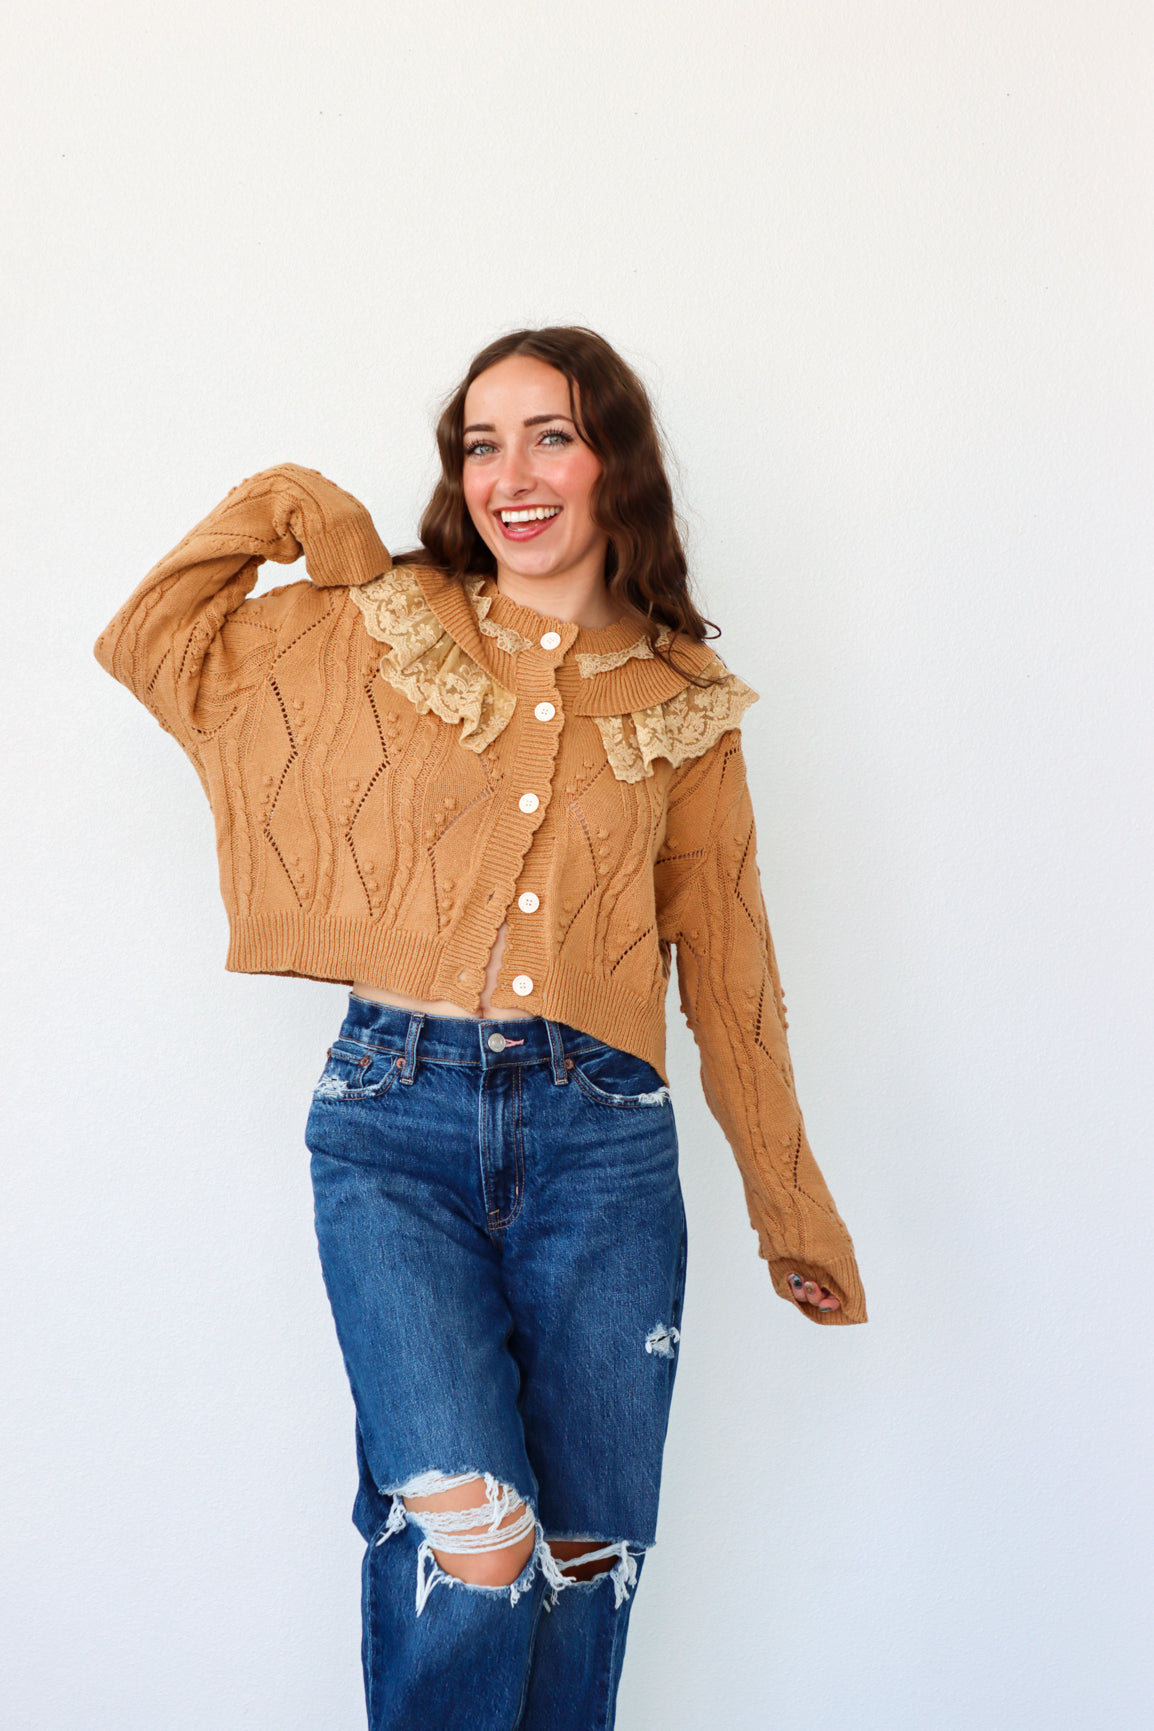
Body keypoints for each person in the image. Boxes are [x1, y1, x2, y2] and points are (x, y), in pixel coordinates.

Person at [94, 326, 867, 1730]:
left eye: (551, 435)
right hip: (394, 1123)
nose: (511, 473)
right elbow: (151, 648)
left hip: (605, 1151)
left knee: (583, 1564)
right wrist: (282, 501)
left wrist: (789, 1207)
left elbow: (733, 973)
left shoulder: (686, 702)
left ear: (611, 463)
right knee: (475, 1539)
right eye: (480, 441)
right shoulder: (385, 623)